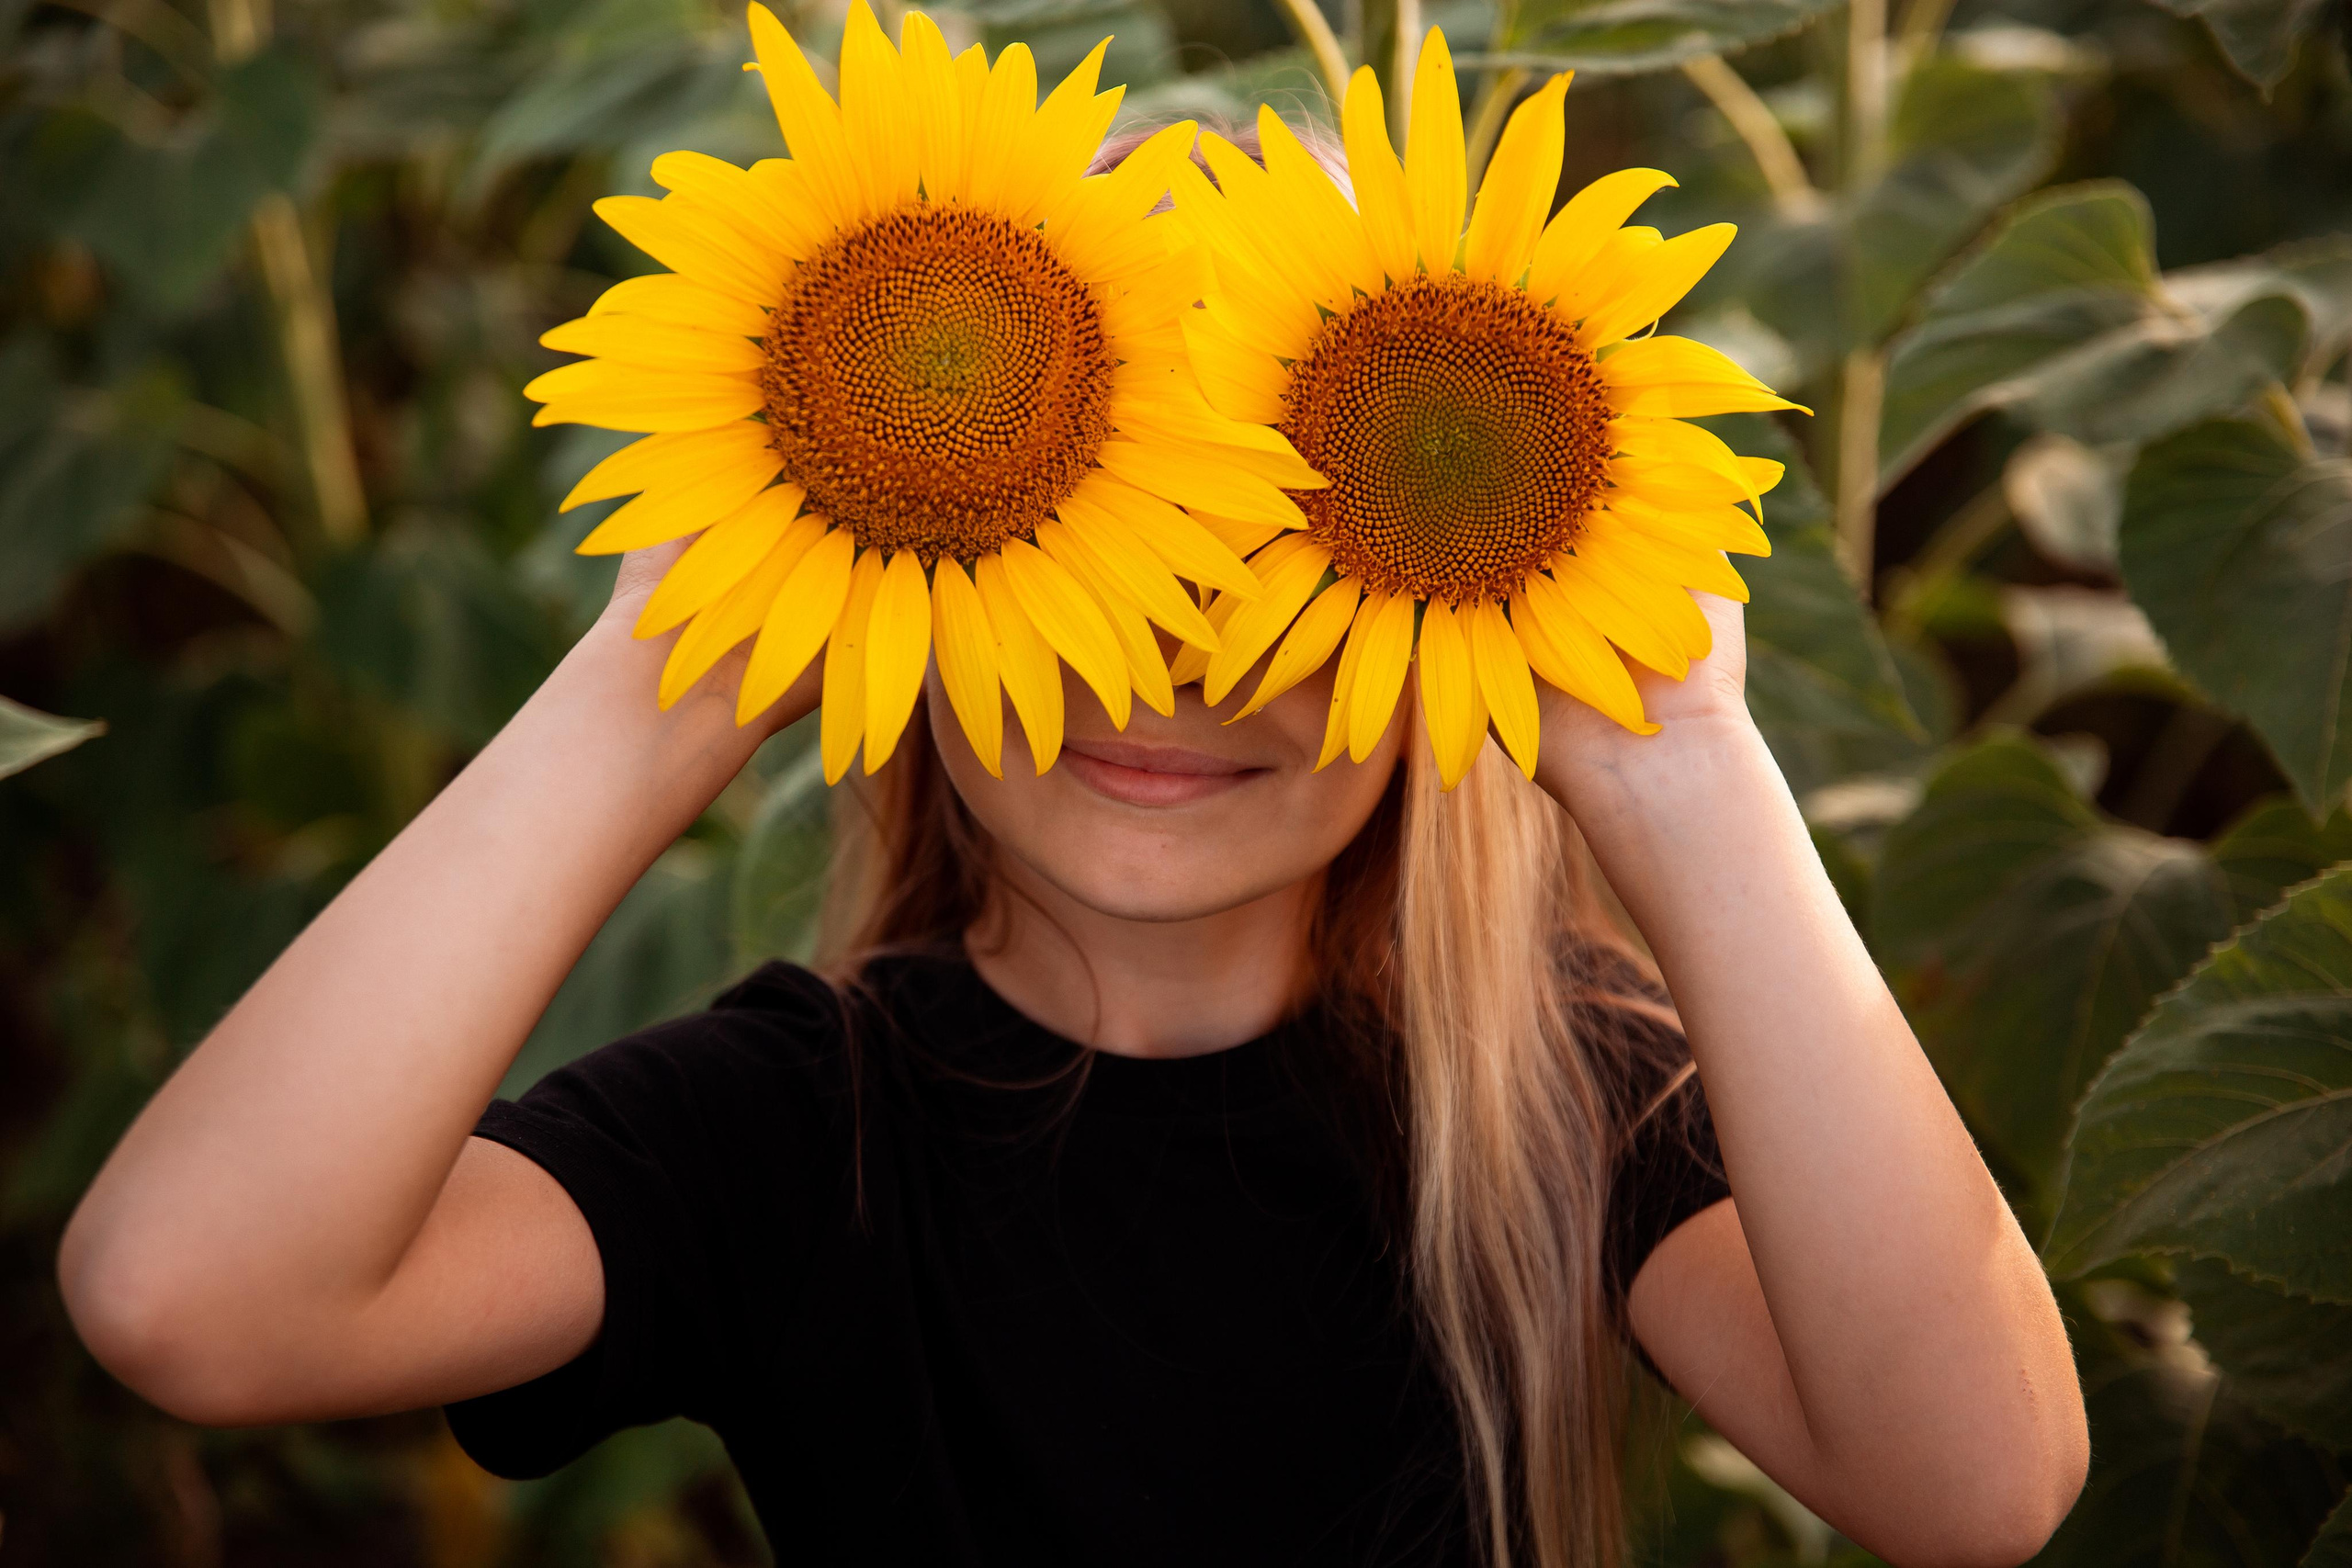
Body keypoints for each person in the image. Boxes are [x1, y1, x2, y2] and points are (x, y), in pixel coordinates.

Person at [58, 124, 2087, 1568]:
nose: (1181, 673)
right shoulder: (800, 1127)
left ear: (1439, 604)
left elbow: (1977, 1486)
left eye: (1282, 570)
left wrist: (1680, 763)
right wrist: (670, 670)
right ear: (926, 559)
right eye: (1090, 559)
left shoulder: (1557, 1105)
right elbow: (192, 1298)